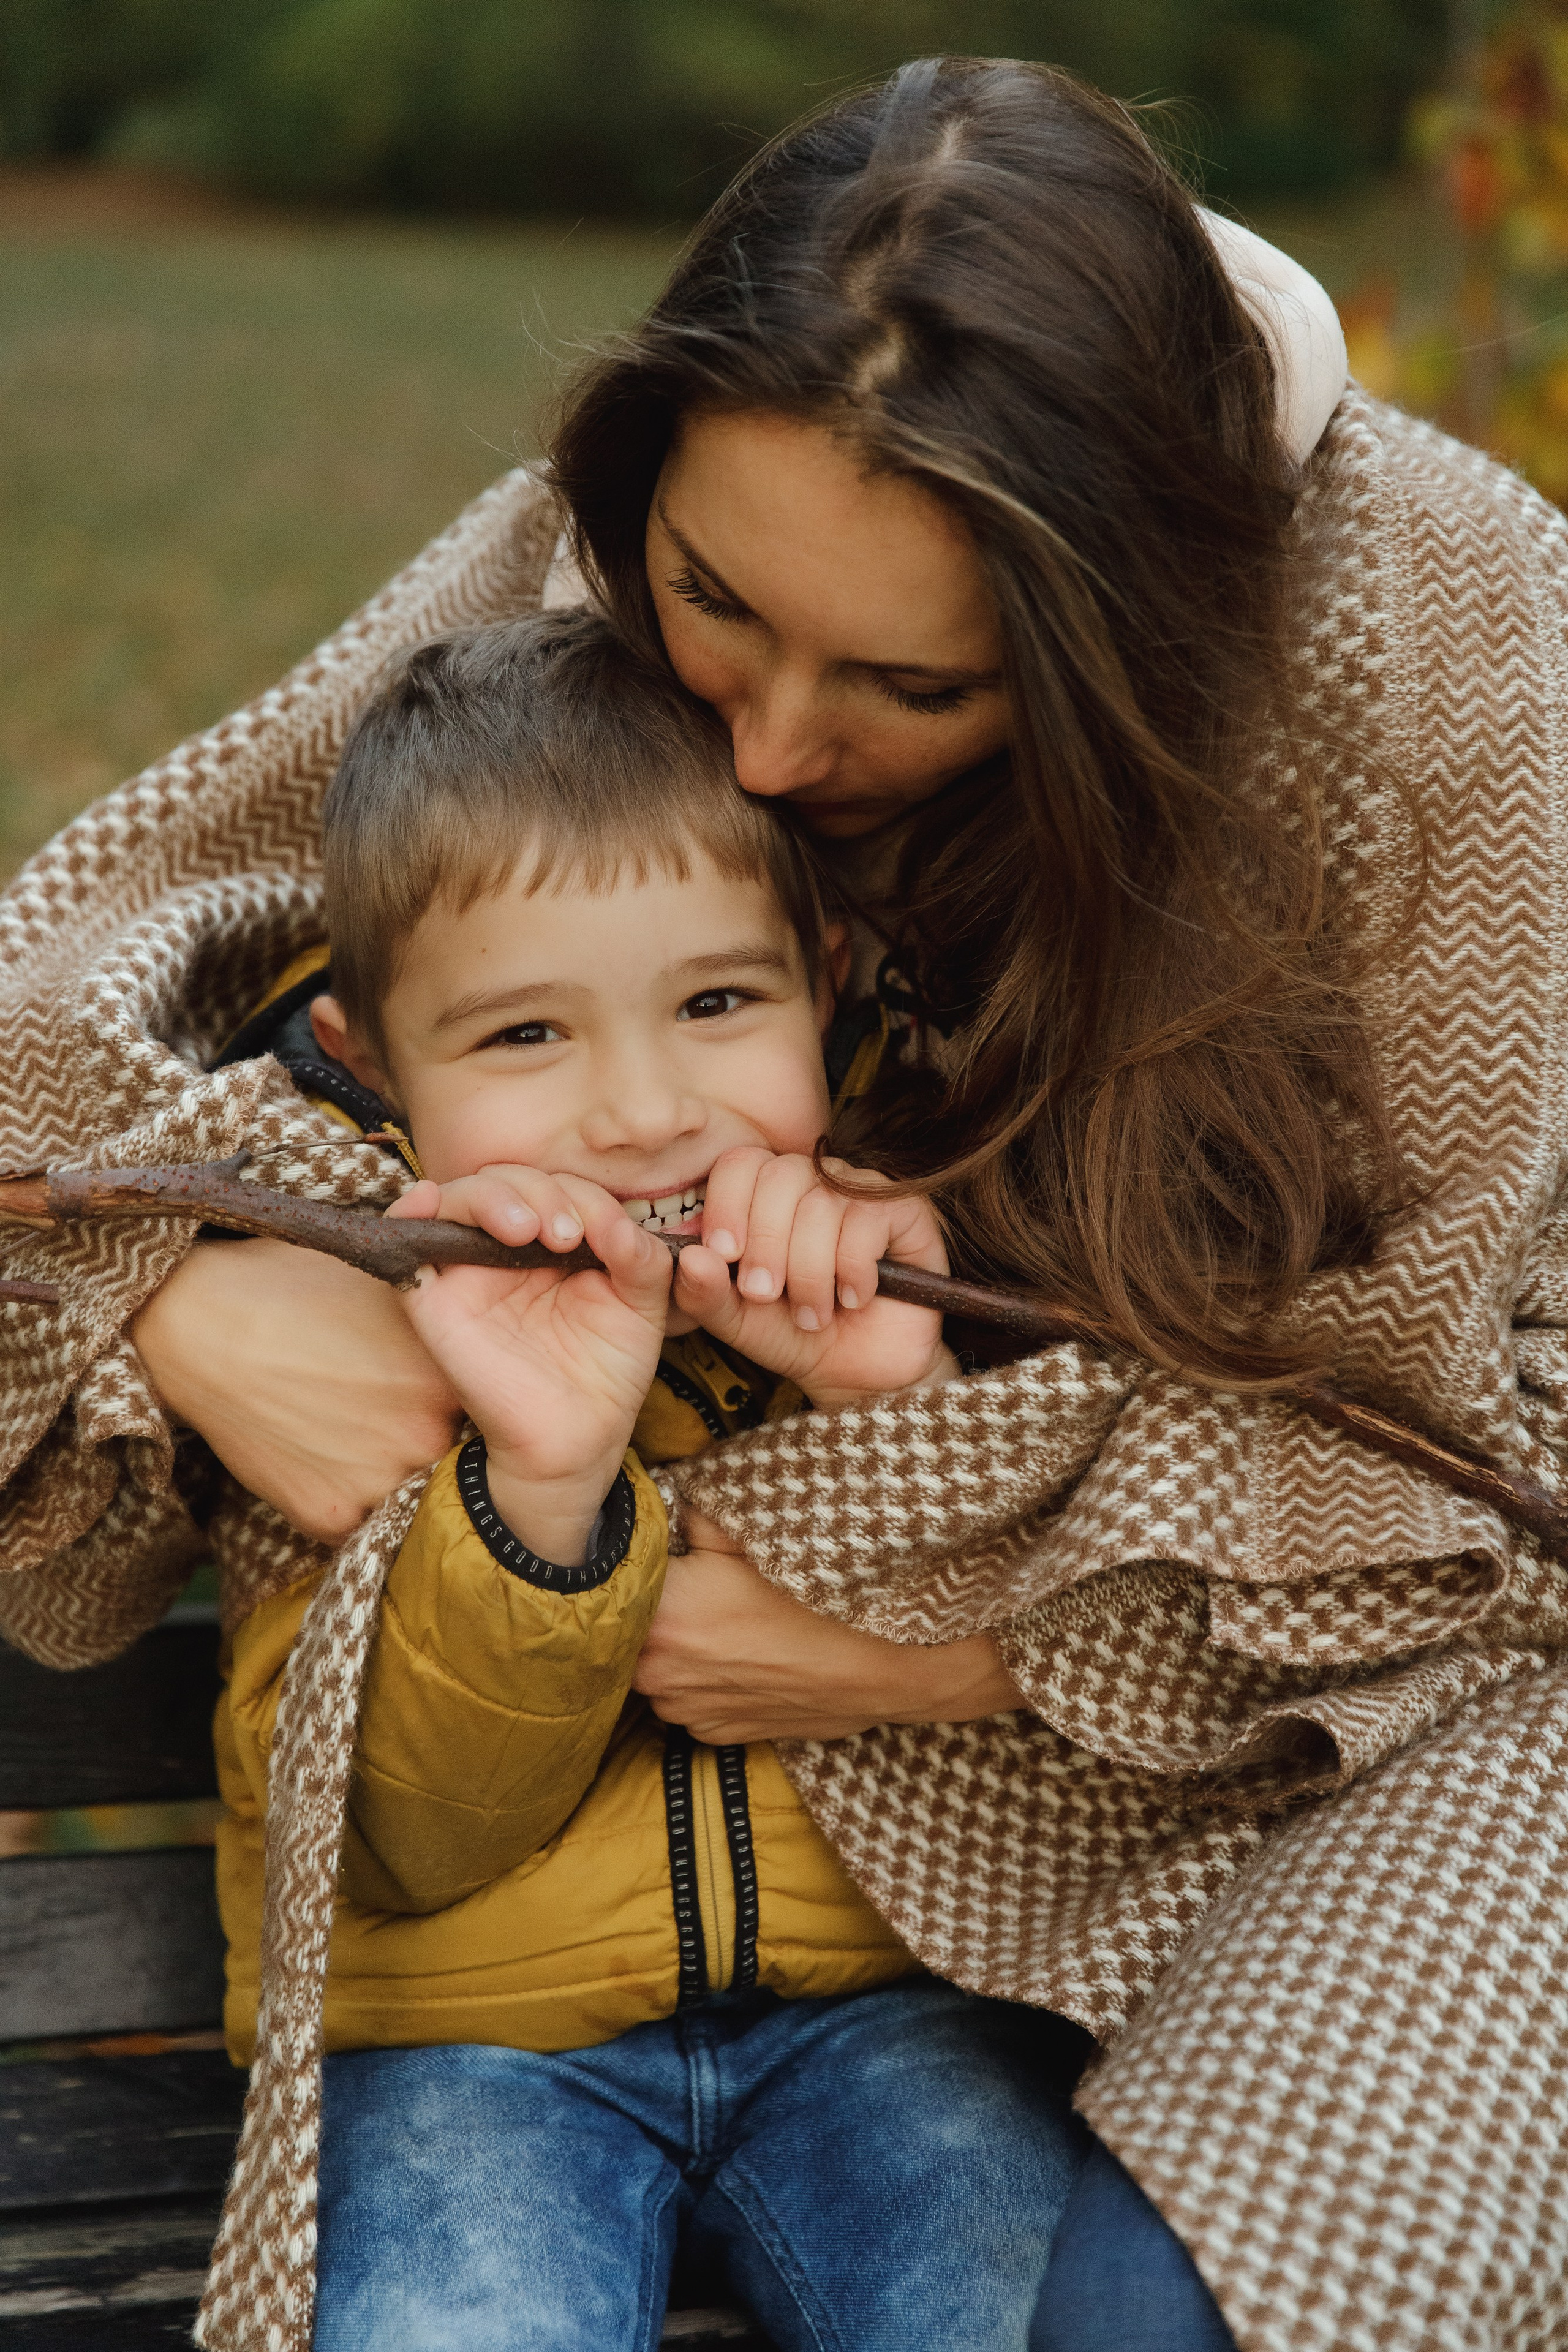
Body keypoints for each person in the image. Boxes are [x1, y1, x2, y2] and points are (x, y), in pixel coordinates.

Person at [6, 55, 1567, 2352]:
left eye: (910, 685)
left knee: (1174, 2300)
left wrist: (957, 1640)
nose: (754, 751)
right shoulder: (669, 507)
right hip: (556, 2004)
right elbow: (77, 963)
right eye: (708, 605)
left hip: (1433, 1726)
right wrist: (176, 1293)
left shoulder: (1451, 661)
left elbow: (1504, 1440)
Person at [210, 607, 1093, 2348]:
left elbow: (1062, 1781)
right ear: (377, 1061)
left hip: (887, 2021)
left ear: (826, 982)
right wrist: (540, 1480)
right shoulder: (347, 1343)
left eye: (713, 1001)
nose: (640, 1110)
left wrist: (877, 1417)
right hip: (464, 2047)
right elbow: (397, 1839)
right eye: (525, 1038)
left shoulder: (927, 1264)